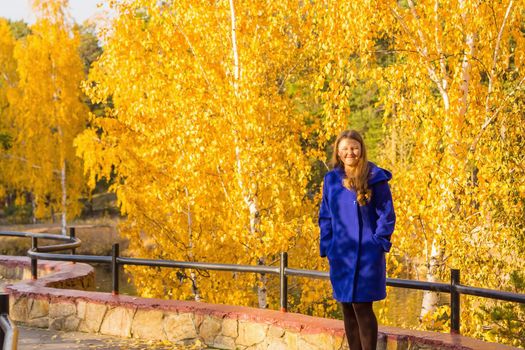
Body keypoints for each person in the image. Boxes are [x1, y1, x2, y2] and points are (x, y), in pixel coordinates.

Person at [319, 130, 396, 350]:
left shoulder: (375, 177)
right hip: (341, 255)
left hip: (367, 256)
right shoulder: (331, 179)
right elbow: (325, 215)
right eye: (344, 149)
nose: (349, 152)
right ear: (338, 152)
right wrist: (328, 246)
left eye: (353, 147)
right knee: (346, 307)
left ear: (361, 148)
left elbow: (387, 214)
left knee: (362, 307)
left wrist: (378, 242)